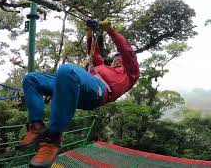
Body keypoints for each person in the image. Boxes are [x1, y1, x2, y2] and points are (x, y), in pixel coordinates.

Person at [16, 20, 140, 167]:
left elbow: (127, 52)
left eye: (120, 59)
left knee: (67, 70)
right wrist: (89, 34)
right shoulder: (102, 66)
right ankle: (36, 126)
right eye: (115, 58)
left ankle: (53, 138)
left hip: (98, 92)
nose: (117, 60)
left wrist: (110, 30)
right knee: (31, 79)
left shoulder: (131, 74)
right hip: (77, 87)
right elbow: (94, 53)